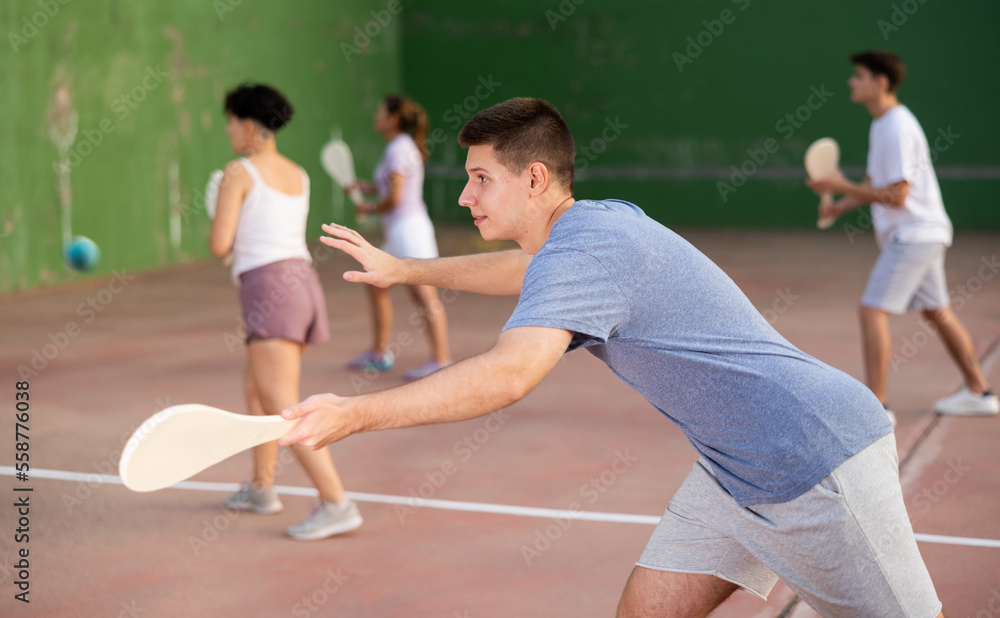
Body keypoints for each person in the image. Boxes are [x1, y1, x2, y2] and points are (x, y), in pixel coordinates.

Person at [279, 98, 943, 616]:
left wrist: (353, 415)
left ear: (533, 177)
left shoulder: (587, 250)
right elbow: (522, 271)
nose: (464, 196)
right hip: (732, 471)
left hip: (813, 456)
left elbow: (509, 376)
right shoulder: (589, 225)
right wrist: (404, 268)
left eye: (480, 179)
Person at [807, 50, 998, 421]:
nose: (851, 82)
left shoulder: (896, 127)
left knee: (871, 310)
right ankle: (980, 392)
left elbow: (897, 195)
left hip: (914, 235)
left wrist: (839, 183)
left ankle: (877, 407)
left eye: (859, 76)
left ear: (880, 83)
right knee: (937, 311)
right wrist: (839, 203)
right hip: (926, 232)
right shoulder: (882, 124)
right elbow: (874, 183)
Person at [209, 83, 362, 540]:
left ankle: (337, 502)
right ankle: (262, 489)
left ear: (249, 125)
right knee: (257, 389)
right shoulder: (299, 173)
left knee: (281, 403)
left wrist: (219, 209)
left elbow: (220, 245)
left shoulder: (238, 172)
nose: (227, 129)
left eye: (231, 120)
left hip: (269, 286)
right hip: (301, 282)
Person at [345, 94, 452, 381]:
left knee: (424, 294)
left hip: (409, 230)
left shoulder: (398, 150)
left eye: (380, 112)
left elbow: (394, 198)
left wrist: (368, 207)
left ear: (392, 119)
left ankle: (441, 360)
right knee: (376, 285)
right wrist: (364, 187)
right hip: (399, 230)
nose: (375, 116)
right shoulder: (399, 147)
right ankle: (380, 354)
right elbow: (388, 189)